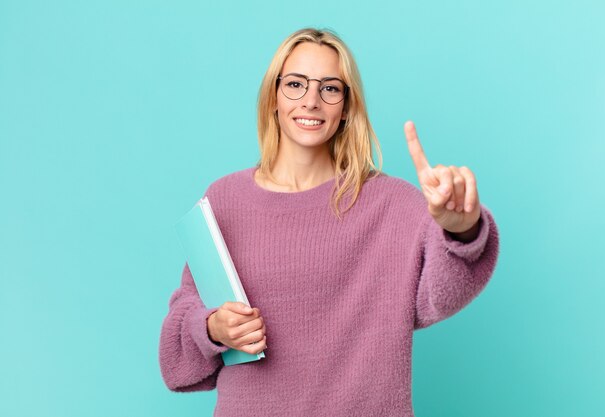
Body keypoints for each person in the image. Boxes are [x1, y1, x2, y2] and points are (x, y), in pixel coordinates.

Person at [158, 28, 499, 416]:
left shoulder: (394, 204)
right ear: (273, 96)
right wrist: (213, 328)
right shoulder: (224, 199)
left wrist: (460, 229)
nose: (311, 101)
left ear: (347, 106)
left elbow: (441, 293)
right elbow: (177, 355)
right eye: (296, 84)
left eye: (330, 88)